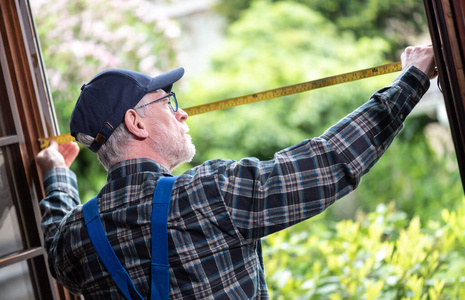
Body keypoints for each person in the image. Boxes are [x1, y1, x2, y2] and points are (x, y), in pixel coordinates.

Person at [37, 45, 437, 299]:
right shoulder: (208, 194)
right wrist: (412, 77)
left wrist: (56, 172)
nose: (182, 112)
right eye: (167, 102)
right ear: (136, 123)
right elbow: (329, 160)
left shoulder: (75, 240)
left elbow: (55, 230)